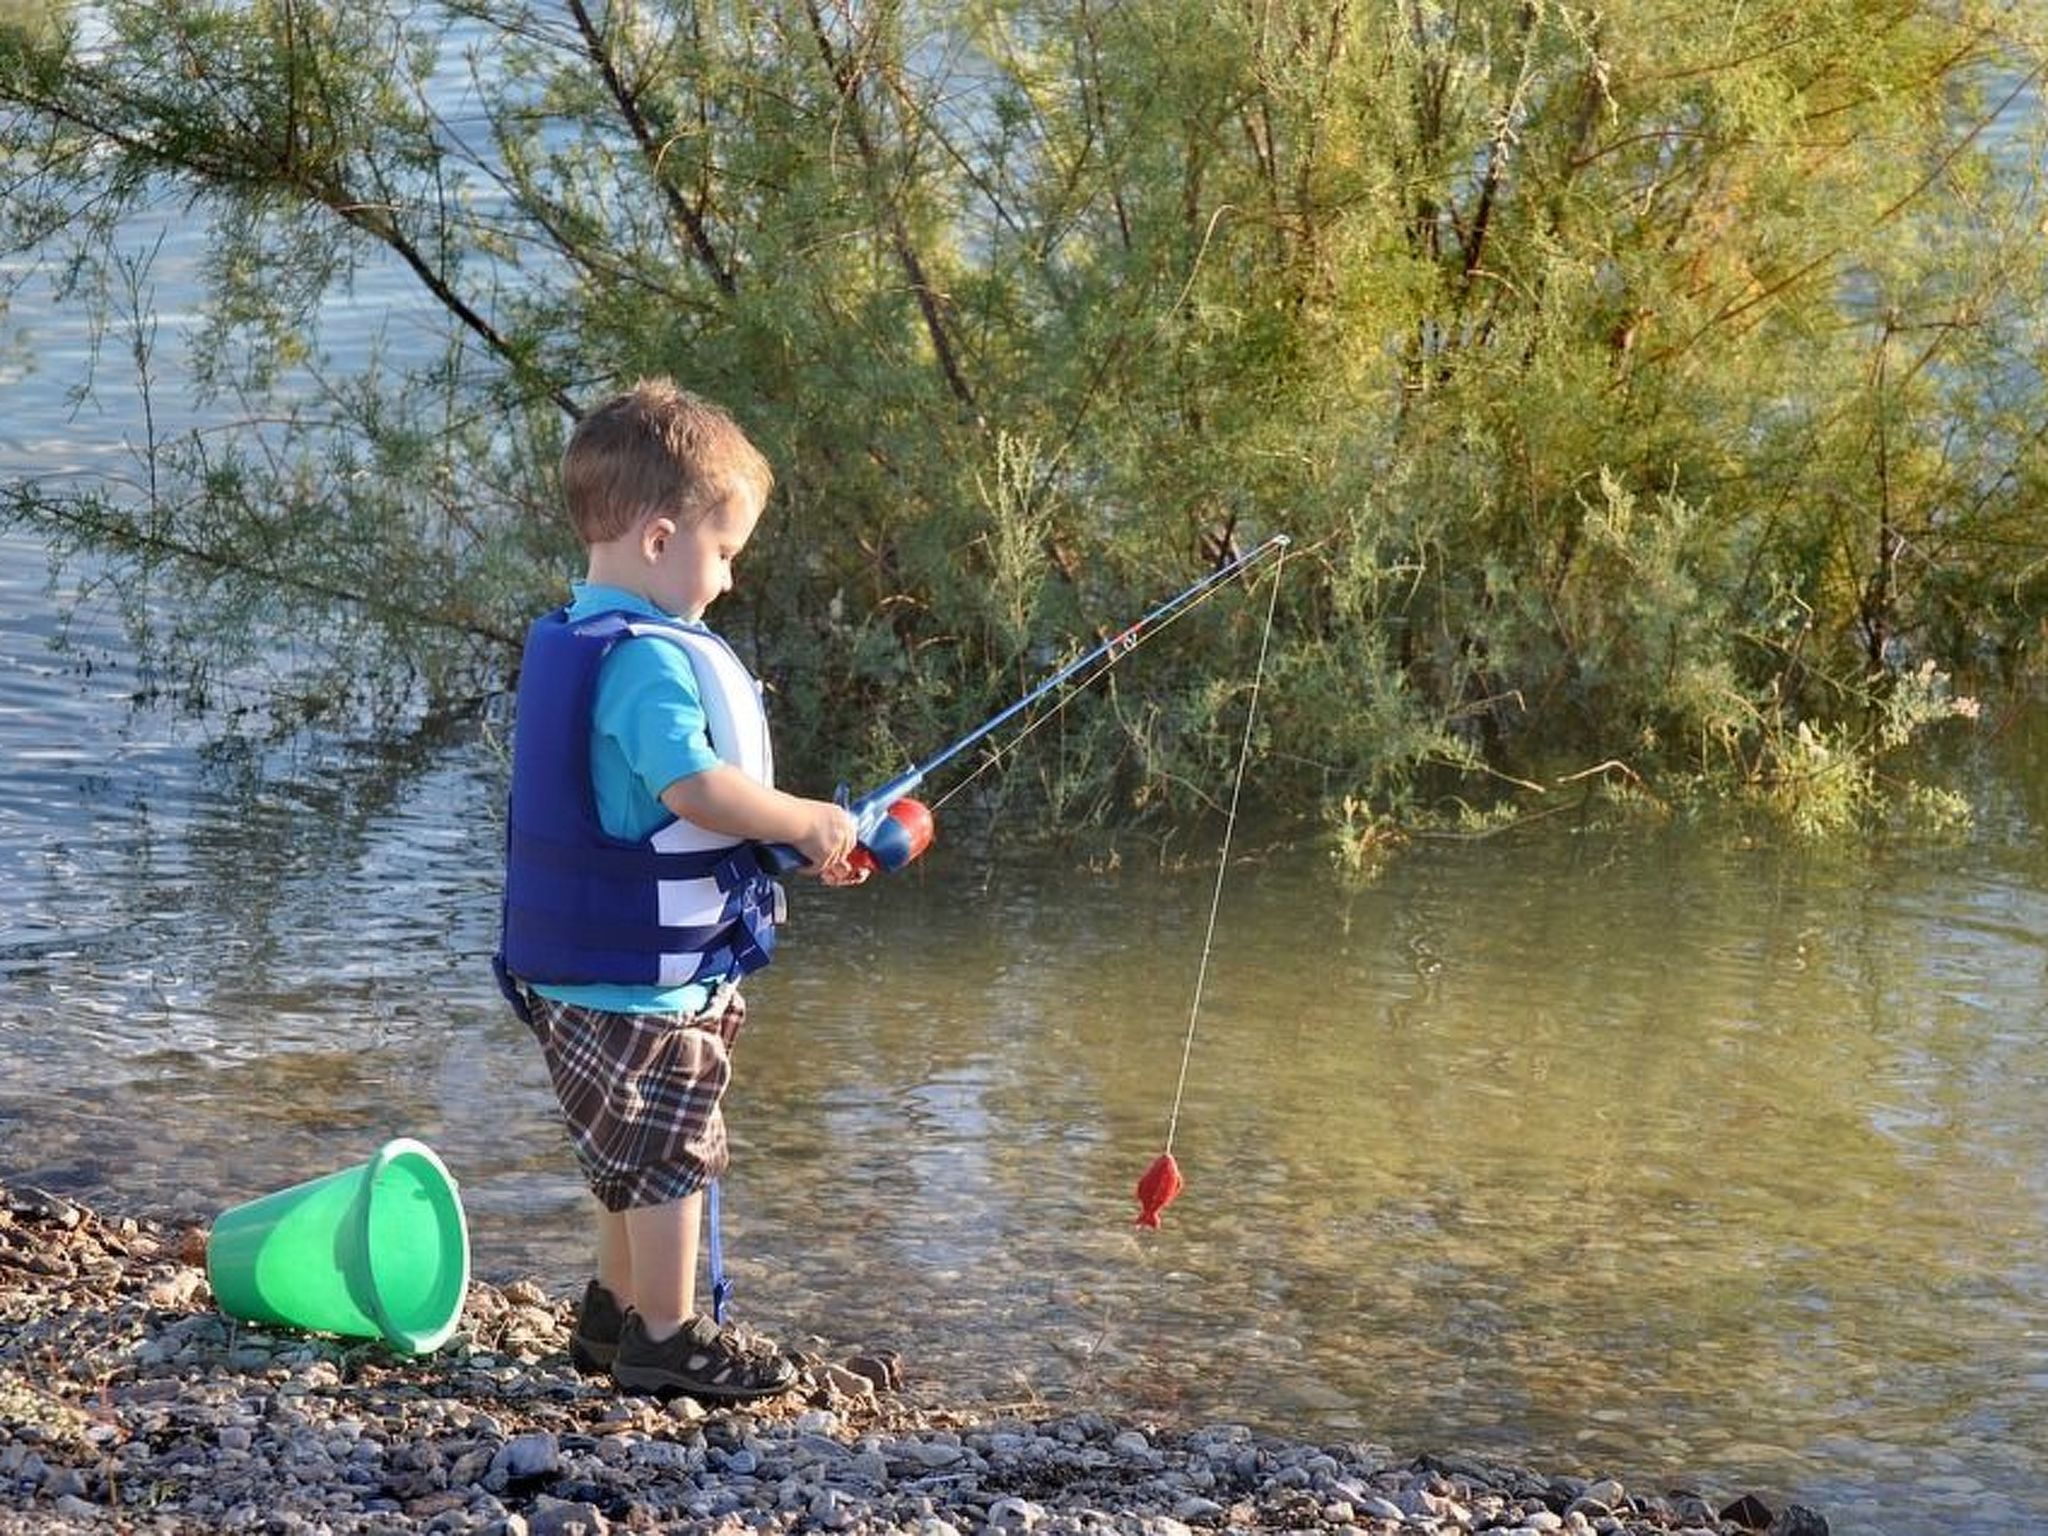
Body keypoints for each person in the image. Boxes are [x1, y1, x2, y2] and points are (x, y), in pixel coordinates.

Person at [494, 379, 861, 1401]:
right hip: (637, 986)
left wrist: (783, 843)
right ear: (660, 539)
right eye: (726, 550)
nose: (731, 580)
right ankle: (666, 1336)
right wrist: (800, 818)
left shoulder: (584, 634)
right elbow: (692, 787)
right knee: (669, 1160)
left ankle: (611, 1320)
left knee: (627, 1157)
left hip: (590, 975)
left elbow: (661, 817)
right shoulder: (650, 666)